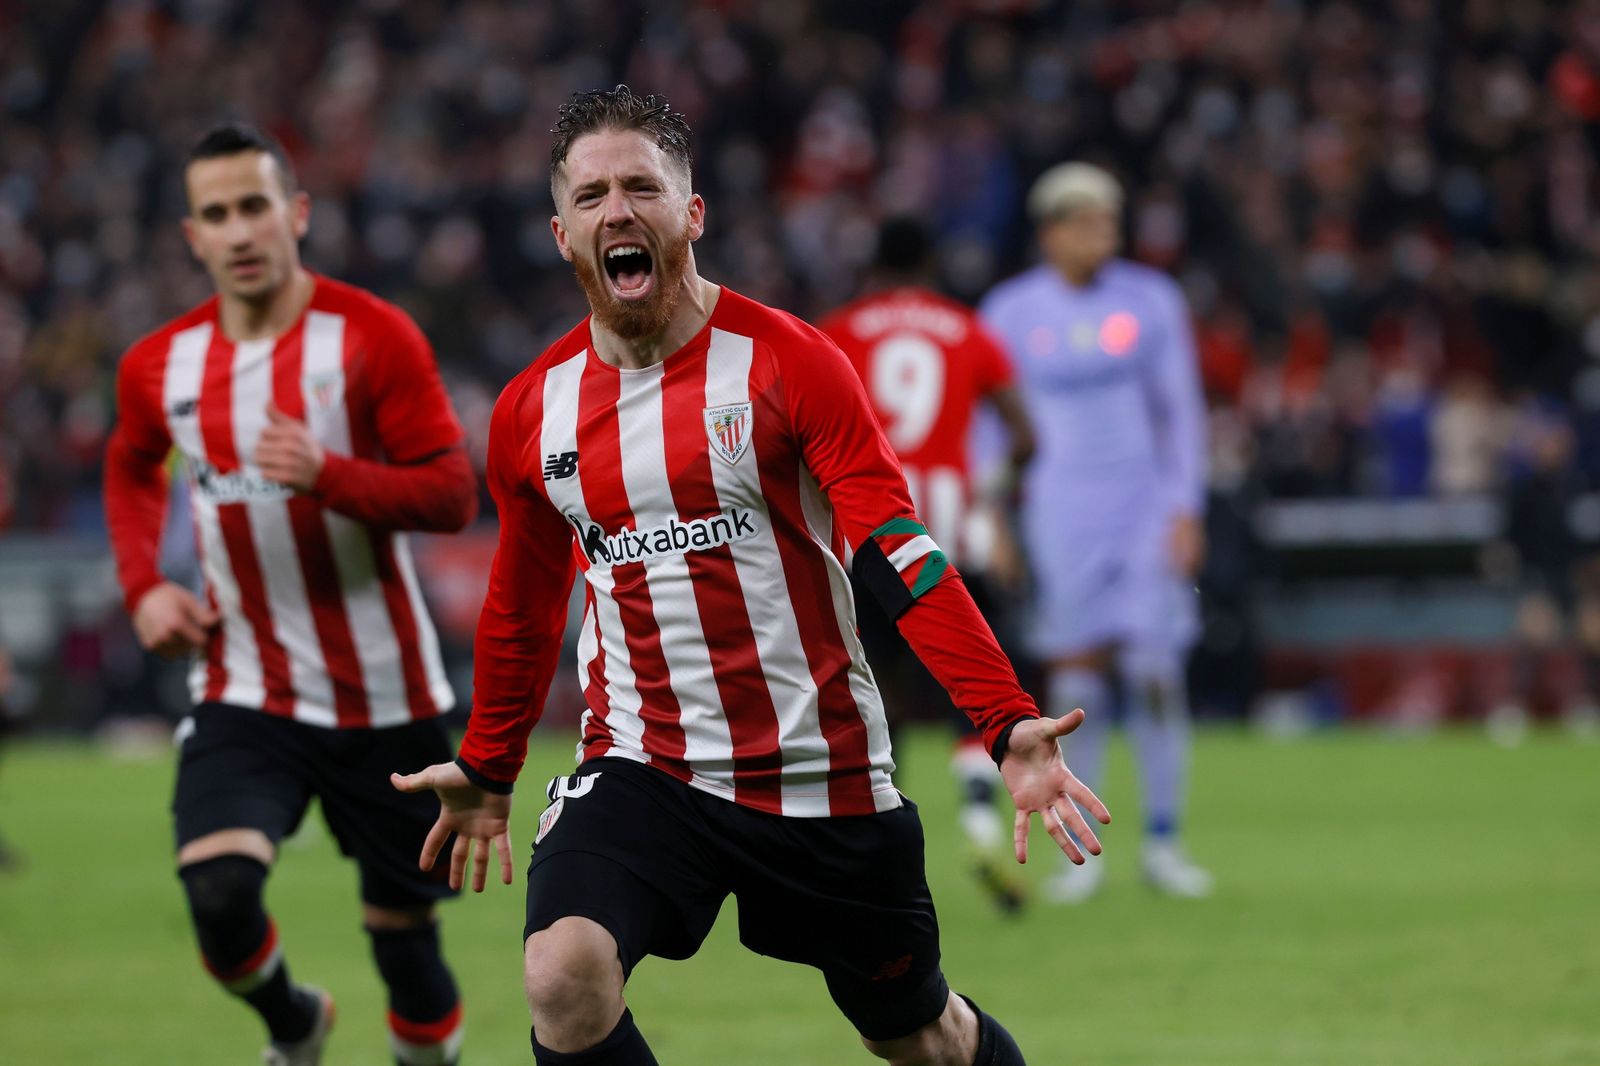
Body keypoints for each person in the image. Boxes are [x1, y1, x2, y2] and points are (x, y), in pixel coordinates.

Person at [391, 85, 1109, 1066]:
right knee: (562, 972)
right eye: (592, 195)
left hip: (820, 771)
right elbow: (521, 604)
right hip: (646, 765)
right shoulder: (532, 411)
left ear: (690, 214)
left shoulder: (789, 363)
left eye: (641, 186)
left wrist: (1004, 718)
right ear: (563, 234)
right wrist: (486, 768)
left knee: (922, 1039)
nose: (618, 211)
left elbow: (895, 547)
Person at [103, 123, 476, 1066]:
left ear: (296, 214)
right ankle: (294, 1023)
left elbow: (449, 493)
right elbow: (130, 463)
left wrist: (329, 474)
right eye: (216, 214)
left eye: (255, 207)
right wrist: (144, 586)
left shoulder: (372, 337)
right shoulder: (161, 366)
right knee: (220, 898)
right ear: (193, 236)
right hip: (244, 686)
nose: (238, 231)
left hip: (383, 695)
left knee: (406, 950)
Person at [979, 162, 1213, 902]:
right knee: (1077, 681)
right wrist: (994, 515)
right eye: (1088, 223)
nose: (1103, 236)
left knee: (1153, 672)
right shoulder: (1011, 313)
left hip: (1142, 508)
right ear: (1052, 230)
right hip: (1060, 513)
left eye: (1111, 222)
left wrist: (1185, 508)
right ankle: (1084, 851)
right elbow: (986, 424)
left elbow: (1181, 411)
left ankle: (1166, 841)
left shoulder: (1151, 301)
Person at [819, 217, 1036, 914]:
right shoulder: (967, 330)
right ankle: (980, 828)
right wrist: (991, 502)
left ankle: (871, 855)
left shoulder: (840, 331)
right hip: (952, 534)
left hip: (867, 535)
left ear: (874, 267)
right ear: (931, 265)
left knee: (871, 699)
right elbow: (1027, 436)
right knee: (969, 693)